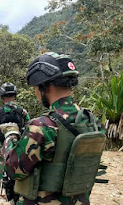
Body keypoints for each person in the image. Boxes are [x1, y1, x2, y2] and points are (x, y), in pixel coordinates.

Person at [6, 52, 107, 204]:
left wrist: (11, 137)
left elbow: (13, 170)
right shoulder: (93, 122)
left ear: (45, 87)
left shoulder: (42, 126)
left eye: (35, 88)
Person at [0, 82, 30, 205]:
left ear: (2, 96)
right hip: (17, 151)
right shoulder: (22, 112)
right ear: (14, 96)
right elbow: (28, 131)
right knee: (15, 177)